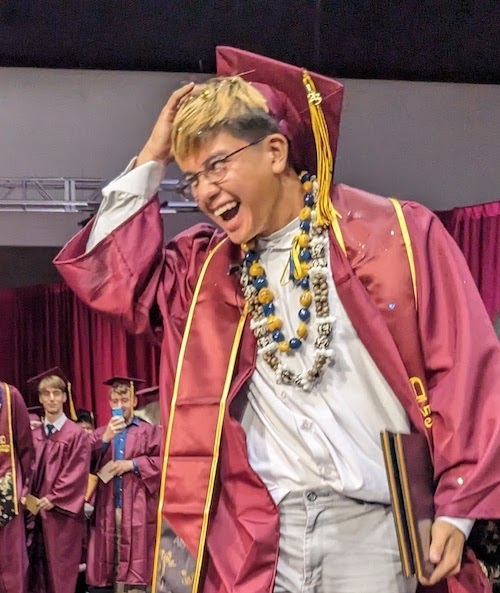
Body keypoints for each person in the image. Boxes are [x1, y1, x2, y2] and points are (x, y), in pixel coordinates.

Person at [54, 46, 500, 593]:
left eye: (216, 165)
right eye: (191, 179)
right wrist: (153, 156)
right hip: (256, 535)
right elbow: (110, 275)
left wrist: (458, 508)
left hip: (375, 529)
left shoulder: (393, 236)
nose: (204, 191)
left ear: (274, 150)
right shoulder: (203, 272)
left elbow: (466, 370)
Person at [86, 377, 161, 593]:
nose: (120, 405)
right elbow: (83, 462)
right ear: (109, 403)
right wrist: (106, 439)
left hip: (137, 507)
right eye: (116, 400)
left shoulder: (149, 431)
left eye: (125, 400)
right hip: (107, 508)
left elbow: (165, 460)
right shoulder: (100, 433)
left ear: (134, 401)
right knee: (110, 559)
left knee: (136, 561)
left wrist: (134, 464)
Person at [27, 368, 91, 593]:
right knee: (35, 571)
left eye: (56, 393)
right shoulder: (34, 436)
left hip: (61, 518)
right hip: (35, 516)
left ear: (65, 397)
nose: (51, 398)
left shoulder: (76, 434)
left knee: (60, 572)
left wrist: (53, 498)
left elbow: (77, 472)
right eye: (46, 394)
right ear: (41, 398)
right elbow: (27, 472)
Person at [0, 380, 34, 593]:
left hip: (7, 494)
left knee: (11, 565)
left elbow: (26, 449)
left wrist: (24, 488)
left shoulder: (10, 396)